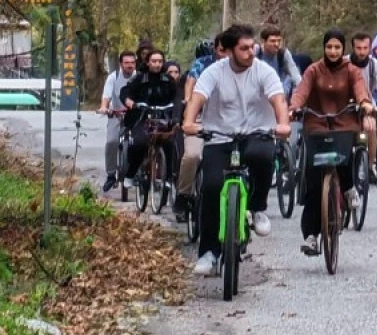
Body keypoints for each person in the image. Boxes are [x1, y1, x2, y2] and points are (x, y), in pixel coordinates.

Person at [182, 24, 290, 276]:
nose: (250, 52)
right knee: (210, 187)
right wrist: (189, 122)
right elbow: (198, 97)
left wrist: (283, 123)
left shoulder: (263, 71)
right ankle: (209, 252)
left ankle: (257, 207)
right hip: (219, 136)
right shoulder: (214, 72)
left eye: (252, 47)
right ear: (229, 51)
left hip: (257, 132)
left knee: (262, 156)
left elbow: (278, 99)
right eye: (243, 49)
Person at [289, 29, 374, 257]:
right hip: (315, 124)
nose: (333, 51)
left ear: (343, 49)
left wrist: (365, 104)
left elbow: (360, 91)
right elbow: (301, 92)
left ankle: (348, 188)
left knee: (344, 158)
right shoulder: (314, 70)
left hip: (344, 123)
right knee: (314, 183)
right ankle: (311, 236)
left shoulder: (352, 71)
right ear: (324, 48)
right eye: (329, 47)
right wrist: (294, 107)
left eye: (337, 47)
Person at [175, 37, 226, 219]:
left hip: (230, 122)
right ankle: (184, 194)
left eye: (229, 51)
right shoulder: (203, 64)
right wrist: (189, 101)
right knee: (193, 155)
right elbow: (191, 82)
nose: (225, 55)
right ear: (215, 50)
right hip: (200, 117)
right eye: (221, 50)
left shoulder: (244, 67)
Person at [118, 49, 178, 188]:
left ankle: (168, 178)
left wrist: (175, 112)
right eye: (154, 61)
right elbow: (125, 92)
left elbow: (176, 97)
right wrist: (130, 102)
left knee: (170, 144)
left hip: (163, 119)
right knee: (139, 143)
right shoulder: (139, 78)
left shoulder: (168, 80)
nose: (157, 64)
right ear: (148, 62)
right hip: (142, 118)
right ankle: (131, 174)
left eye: (160, 61)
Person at [349, 32, 377, 181]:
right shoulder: (345, 63)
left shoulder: (375, 65)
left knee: (372, 128)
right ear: (352, 47)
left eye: (365, 48)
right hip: (346, 106)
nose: (362, 52)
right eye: (358, 48)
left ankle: (371, 164)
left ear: (370, 48)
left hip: (368, 106)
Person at [97, 51, 137, 192]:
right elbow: (106, 96)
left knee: (140, 142)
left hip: (134, 116)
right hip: (116, 114)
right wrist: (104, 107)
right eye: (126, 63)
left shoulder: (138, 77)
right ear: (121, 64)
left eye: (132, 63)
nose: (130, 66)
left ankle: (138, 173)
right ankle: (110, 175)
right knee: (111, 141)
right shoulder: (113, 77)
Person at [255, 25, 303, 97]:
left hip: (279, 89)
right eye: (272, 41)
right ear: (263, 42)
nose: (276, 44)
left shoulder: (283, 53)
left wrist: (302, 93)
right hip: (259, 89)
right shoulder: (256, 51)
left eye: (279, 41)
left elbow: (295, 75)